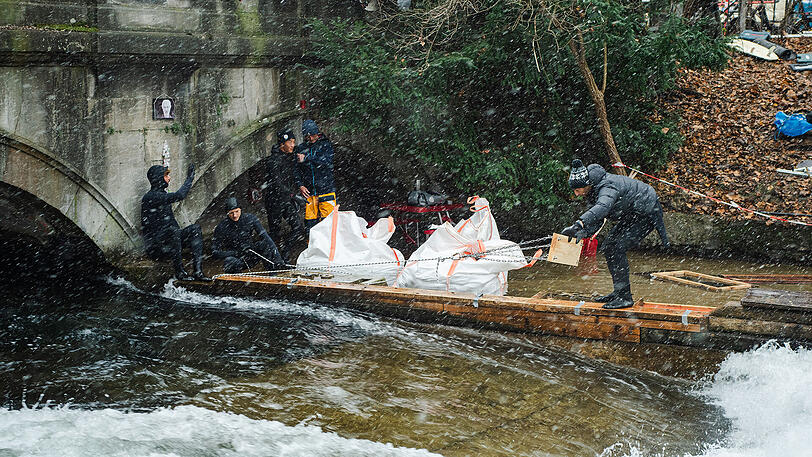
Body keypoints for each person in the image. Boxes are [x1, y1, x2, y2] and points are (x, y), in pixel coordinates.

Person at [561, 159, 669, 309]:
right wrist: (582, 232)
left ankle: (625, 298)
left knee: (617, 248)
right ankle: (619, 292)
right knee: (609, 247)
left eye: (577, 190)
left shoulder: (607, 186)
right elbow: (597, 218)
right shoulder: (593, 189)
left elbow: (603, 208)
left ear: (586, 184)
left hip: (646, 212)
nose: (576, 194)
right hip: (632, 214)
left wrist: (579, 223)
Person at [141, 163, 207, 280]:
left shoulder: (162, 194)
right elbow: (180, 195)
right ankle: (180, 272)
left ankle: (198, 271)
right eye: (166, 175)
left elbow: (171, 221)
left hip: (170, 241)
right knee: (173, 231)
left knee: (195, 229)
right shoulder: (151, 197)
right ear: (158, 178)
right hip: (157, 247)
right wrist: (190, 178)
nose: (169, 178)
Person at [264, 128, 306, 263]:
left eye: (294, 142)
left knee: (298, 227)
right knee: (275, 231)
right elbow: (277, 183)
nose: (293, 145)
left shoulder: (290, 156)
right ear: (282, 144)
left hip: (286, 199)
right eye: (290, 142)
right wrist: (294, 196)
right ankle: (274, 259)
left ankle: (285, 251)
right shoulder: (273, 160)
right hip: (274, 200)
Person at [212, 197, 285, 274]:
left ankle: (273, 273)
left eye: (237, 211)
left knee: (264, 244)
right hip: (237, 259)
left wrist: (278, 259)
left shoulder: (250, 218)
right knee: (229, 261)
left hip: (251, 254)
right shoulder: (221, 227)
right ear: (227, 213)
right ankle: (236, 280)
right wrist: (235, 253)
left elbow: (266, 238)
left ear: (240, 209)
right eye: (231, 213)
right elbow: (215, 252)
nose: (235, 215)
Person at [295, 119, 337, 230]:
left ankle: (329, 247)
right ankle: (312, 245)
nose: (311, 138)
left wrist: (307, 157)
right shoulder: (301, 148)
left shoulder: (325, 145)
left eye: (313, 135)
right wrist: (300, 184)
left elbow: (326, 161)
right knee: (310, 224)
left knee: (328, 223)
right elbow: (297, 170)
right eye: (308, 136)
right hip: (310, 192)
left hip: (326, 190)